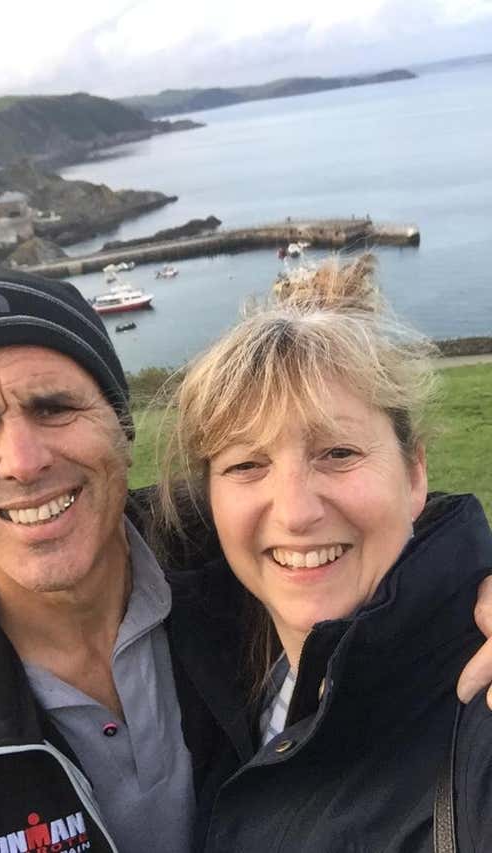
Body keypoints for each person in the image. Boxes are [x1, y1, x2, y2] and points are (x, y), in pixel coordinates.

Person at [0, 264, 489, 853]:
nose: (22, 461)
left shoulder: (221, 556)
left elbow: (392, 541)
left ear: (120, 426)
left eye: (54, 407)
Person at [158, 254, 492, 852]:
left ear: (414, 474)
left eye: (337, 453)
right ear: (206, 499)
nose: (295, 512)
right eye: (246, 464)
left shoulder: (481, 712)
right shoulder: (208, 652)